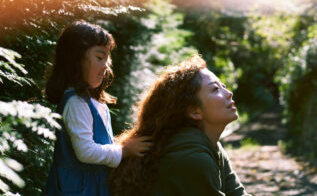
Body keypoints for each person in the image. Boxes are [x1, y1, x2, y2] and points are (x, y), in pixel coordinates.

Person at [109, 55, 251, 196]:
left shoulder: (210, 145)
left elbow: (237, 193)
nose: (228, 93)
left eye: (223, 86)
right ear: (194, 111)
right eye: (215, 89)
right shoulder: (192, 159)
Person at [43, 20, 151, 196]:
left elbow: (100, 145)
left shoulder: (93, 101)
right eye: (100, 57)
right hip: (75, 189)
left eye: (107, 59)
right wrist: (123, 150)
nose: (105, 66)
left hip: (92, 186)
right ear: (75, 59)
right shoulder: (76, 102)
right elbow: (85, 151)